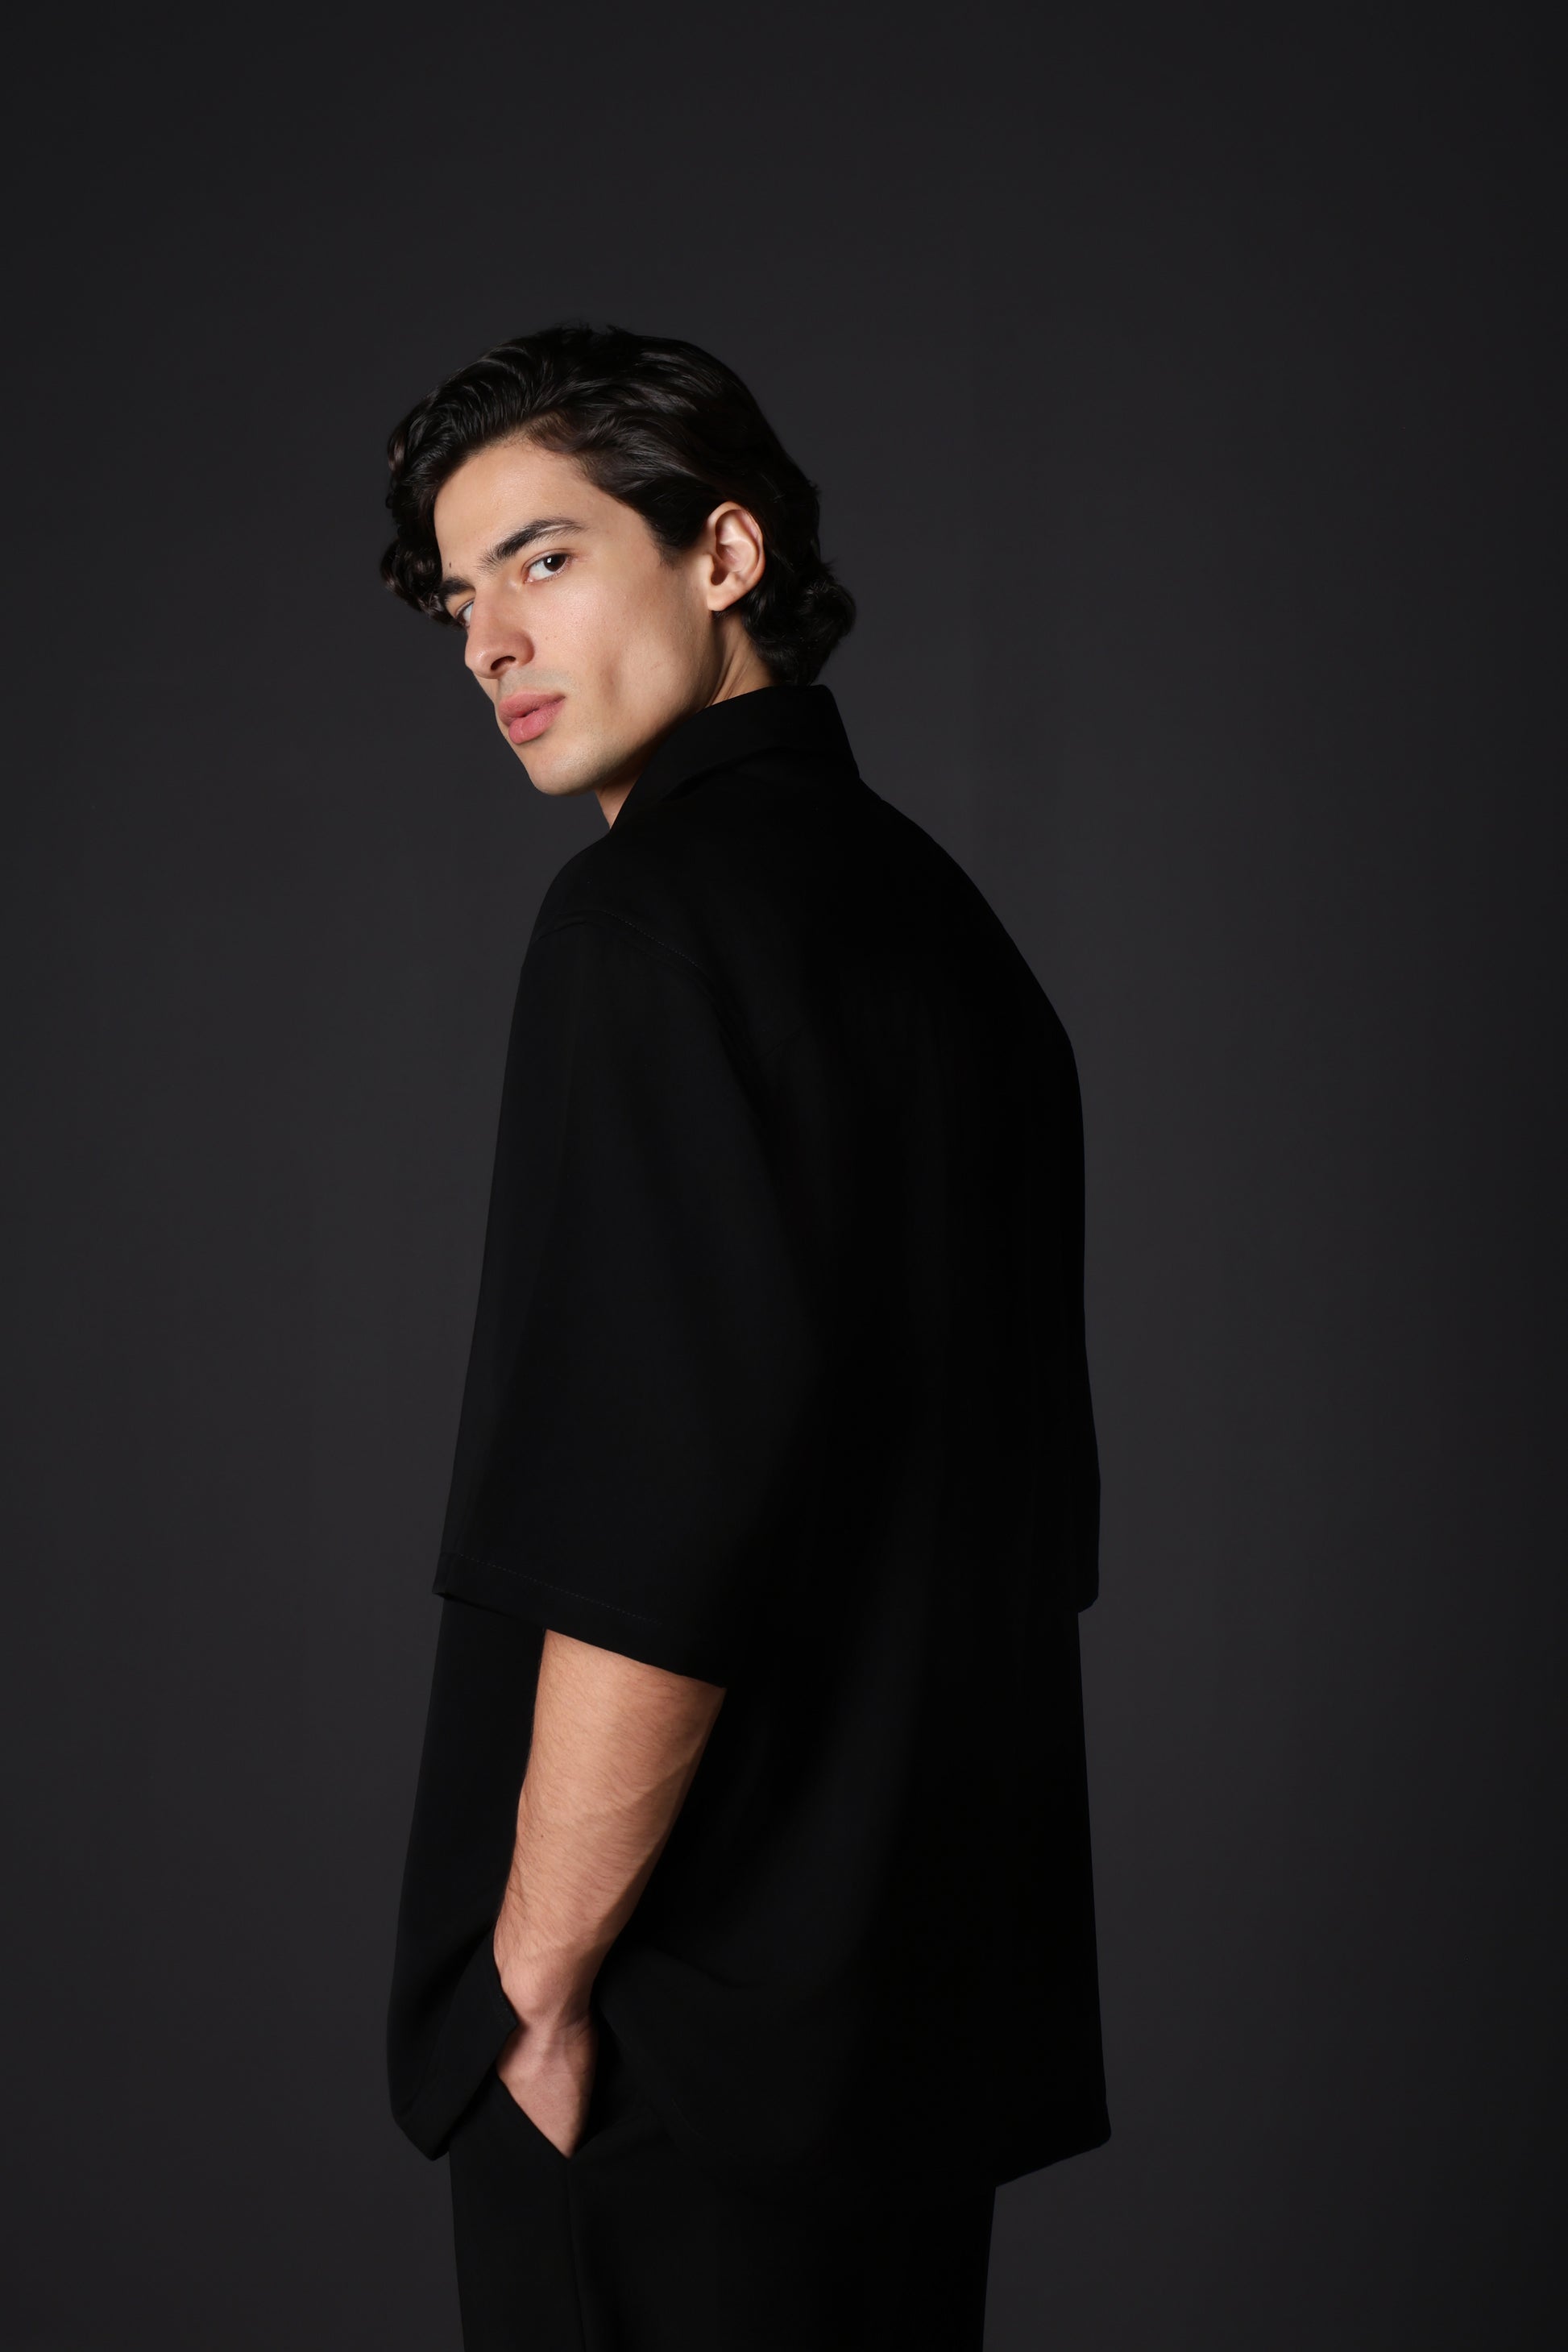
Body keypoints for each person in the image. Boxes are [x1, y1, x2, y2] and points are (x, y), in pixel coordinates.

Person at [380, 323, 1109, 2352]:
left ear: (723, 553)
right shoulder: (945, 929)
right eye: (458, 600)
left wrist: (533, 1982)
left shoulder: (645, 923)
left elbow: (650, 1531)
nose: (489, 643)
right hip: (904, 2022)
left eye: (542, 558)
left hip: (669, 2044)